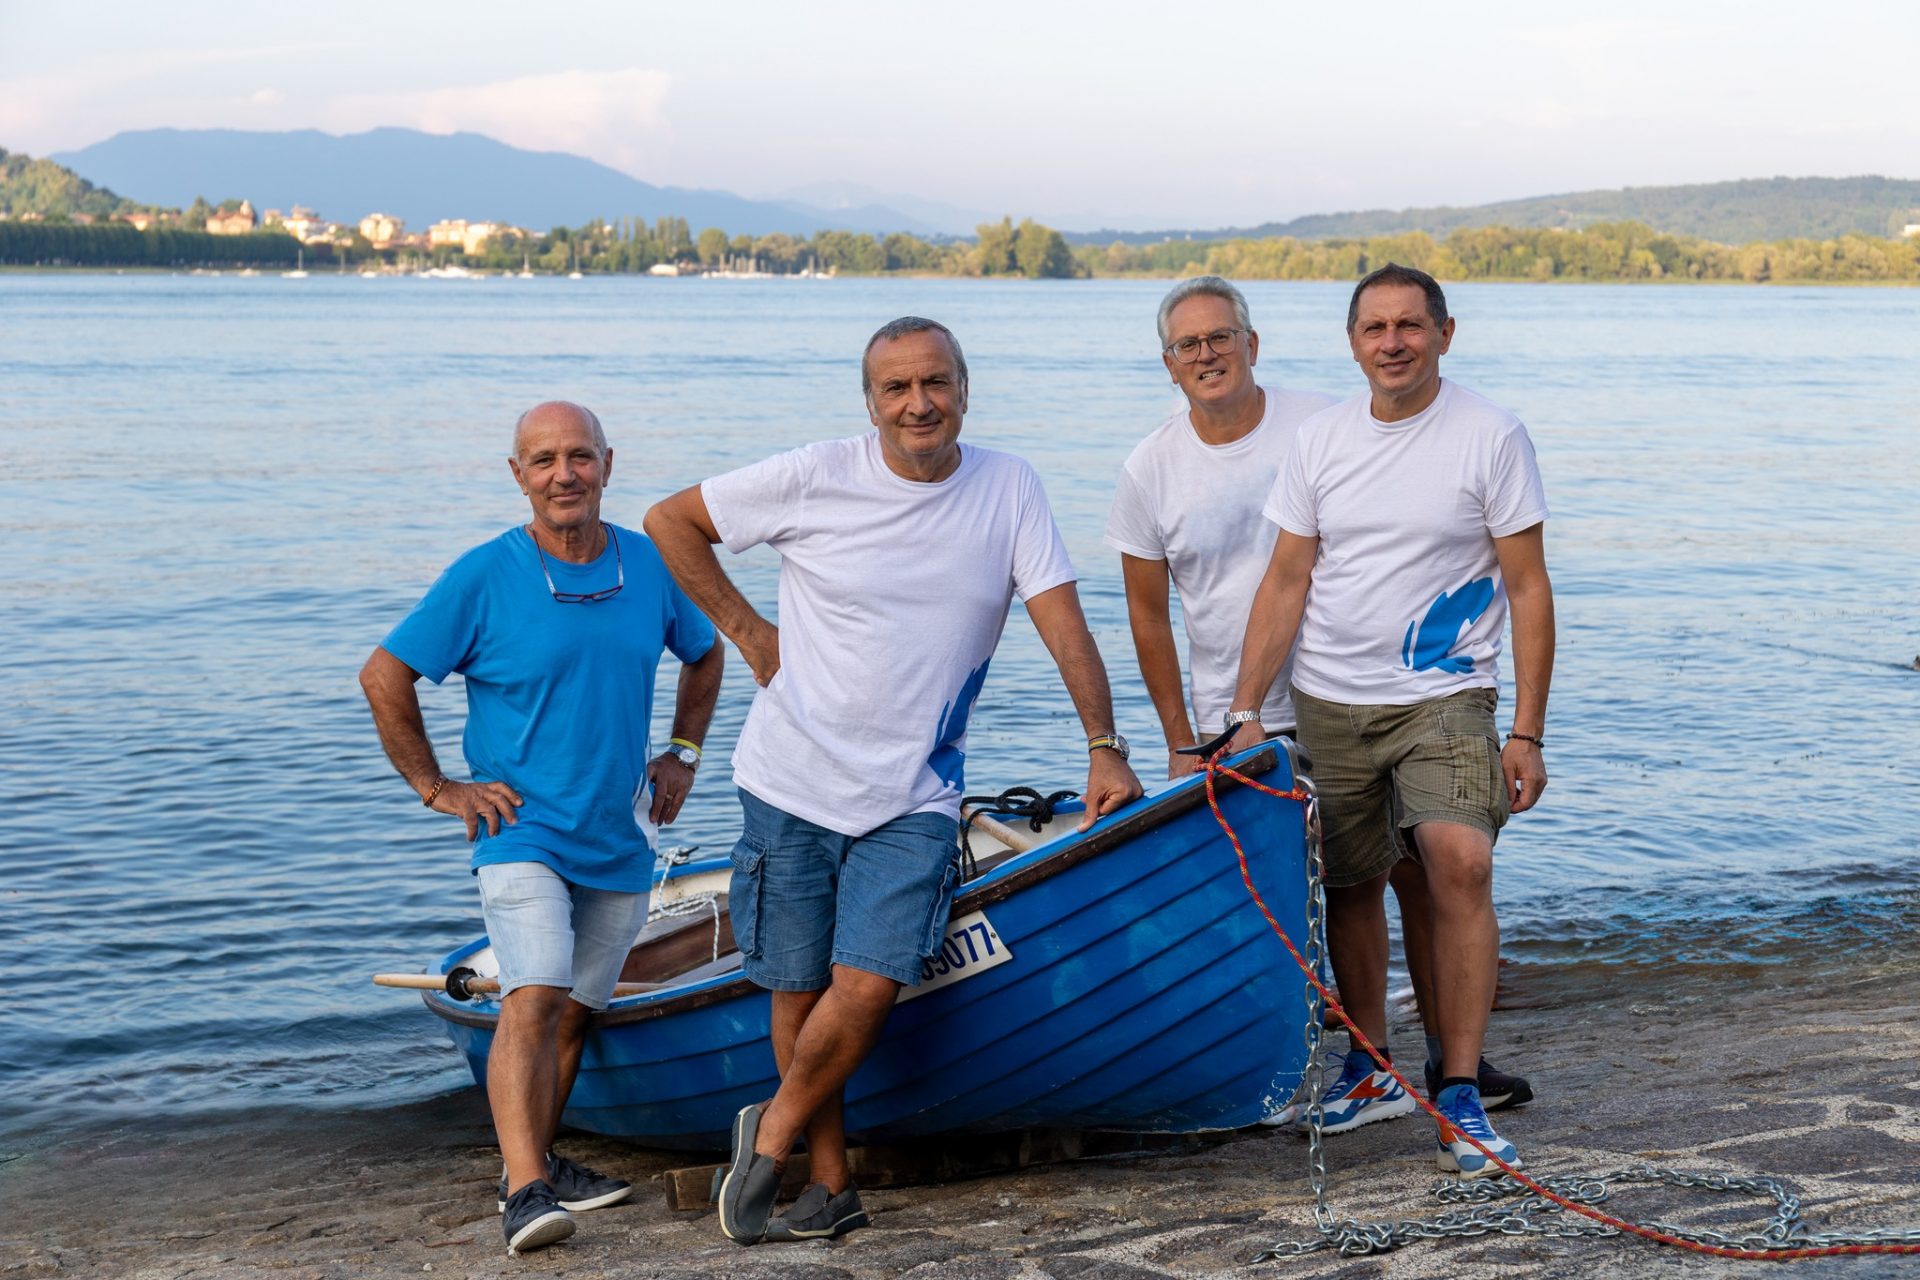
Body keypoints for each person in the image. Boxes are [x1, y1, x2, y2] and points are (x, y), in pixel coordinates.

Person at [645, 316, 1144, 1245]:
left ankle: (776, 1130)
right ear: (869, 401)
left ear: (964, 386)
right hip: (788, 778)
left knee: (869, 985)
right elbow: (671, 522)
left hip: (914, 791)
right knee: (796, 988)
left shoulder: (1009, 486)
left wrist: (1104, 743)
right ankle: (830, 1188)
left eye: (936, 383)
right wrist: (751, 635)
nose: (919, 404)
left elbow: (1063, 620)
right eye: (896, 389)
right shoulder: (814, 474)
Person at [1106, 276, 1531, 1138]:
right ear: (1168, 364)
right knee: (1318, 888)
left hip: (1360, 688)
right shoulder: (1149, 468)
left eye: (1221, 337)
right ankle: (1326, 1056)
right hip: (1246, 709)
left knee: (1424, 868)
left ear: (1253, 344)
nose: (1208, 355)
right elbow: (1149, 617)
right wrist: (1187, 737)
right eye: (1189, 345)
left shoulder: (1319, 423)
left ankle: (1454, 1058)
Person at [359, 401, 724, 1255]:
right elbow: (384, 676)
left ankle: (540, 1164)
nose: (565, 473)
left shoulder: (647, 562)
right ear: (517, 475)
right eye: (545, 460)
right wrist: (437, 787)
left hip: (618, 831)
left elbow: (705, 653)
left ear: (607, 463)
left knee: (575, 1012)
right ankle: (522, 1192)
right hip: (518, 828)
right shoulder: (484, 576)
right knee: (534, 994)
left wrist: (681, 753)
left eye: (580, 457)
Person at [1223, 265, 1555, 1177]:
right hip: (1331, 700)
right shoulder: (1323, 441)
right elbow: (1287, 578)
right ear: (1354, 341)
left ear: (1446, 333)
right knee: (1356, 884)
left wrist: (1526, 729)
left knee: (1461, 857)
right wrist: (1245, 713)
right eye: (1375, 327)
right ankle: (1368, 1068)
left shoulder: (1491, 436)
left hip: (1445, 697)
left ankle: (1456, 1090)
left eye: (1411, 324)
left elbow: (1527, 586)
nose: (1393, 342)